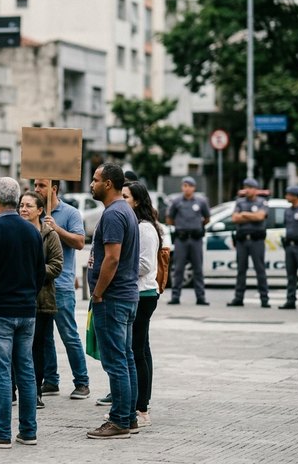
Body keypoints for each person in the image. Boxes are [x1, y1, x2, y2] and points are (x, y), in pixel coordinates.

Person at [0, 177, 45, 449]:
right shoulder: (32, 231)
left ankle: (1, 431)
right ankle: (28, 430)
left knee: (0, 372)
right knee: (25, 370)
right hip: (26, 310)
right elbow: (40, 273)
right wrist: (27, 297)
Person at [86, 163, 139, 439]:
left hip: (113, 298)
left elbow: (113, 257)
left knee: (117, 361)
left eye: (95, 180)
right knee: (126, 358)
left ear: (108, 184)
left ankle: (119, 420)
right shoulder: (124, 210)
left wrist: (98, 292)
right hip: (125, 297)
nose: (91, 184)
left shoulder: (115, 213)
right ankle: (128, 418)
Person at [33, 179, 89, 399]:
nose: (37, 189)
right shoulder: (34, 213)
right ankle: (51, 380)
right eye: (35, 185)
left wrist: (56, 229)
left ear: (54, 189)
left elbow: (79, 242)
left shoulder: (70, 213)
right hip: (40, 283)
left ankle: (82, 382)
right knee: (43, 337)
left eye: (41, 186)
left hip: (62, 284)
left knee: (68, 335)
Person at [18, 191, 63, 410]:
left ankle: (35, 392)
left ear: (39, 210)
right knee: (13, 349)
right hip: (15, 300)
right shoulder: (14, 231)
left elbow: (56, 265)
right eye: (21, 205)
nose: (23, 209)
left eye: (28, 206)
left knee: (37, 349)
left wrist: (31, 270)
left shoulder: (49, 235)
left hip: (42, 301)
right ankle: (12, 390)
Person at [122, 181, 161, 428]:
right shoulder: (135, 225)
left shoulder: (145, 229)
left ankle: (141, 408)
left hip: (143, 293)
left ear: (137, 201)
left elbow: (145, 264)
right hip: (138, 292)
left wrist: (119, 270)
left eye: (125, 196)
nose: (121, 199)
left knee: (137, 350)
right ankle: (136, 404)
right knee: (139, 349)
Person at [166, 176, 210, 305]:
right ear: (182, 187)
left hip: (196, 239)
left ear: (194, 188)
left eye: (189, 186)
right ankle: (175, 296)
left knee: (198, 269)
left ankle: (200, 297)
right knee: (178, 269)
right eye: (184, 186)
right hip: (182, 239)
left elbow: (207, 218)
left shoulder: (201, 201)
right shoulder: (177, 201)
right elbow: (169, 218)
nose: (187, 188)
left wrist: (198, 226)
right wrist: (180, 226)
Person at [227, 178, 270, 308]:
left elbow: (260, 217)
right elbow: (235, 218)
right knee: (241, 270)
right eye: (246, 187)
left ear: (256, 189)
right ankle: (238, 298)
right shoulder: (239, 202)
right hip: (242, 241)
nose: (248, 190)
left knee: (260, 270)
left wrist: (244, 214)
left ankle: (264, 299)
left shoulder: (262, 202)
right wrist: (251, 215)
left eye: (250, 187)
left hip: (256, 241)